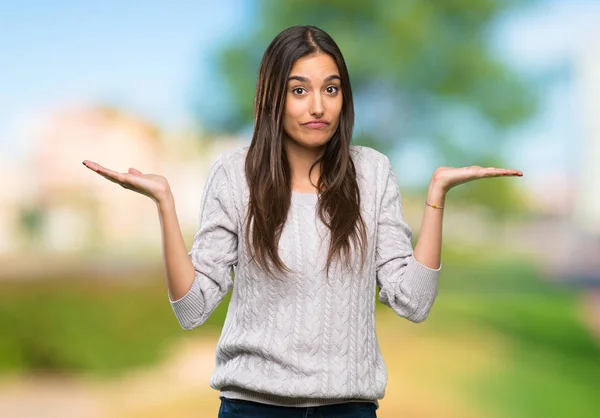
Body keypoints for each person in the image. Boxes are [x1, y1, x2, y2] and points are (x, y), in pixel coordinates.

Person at [83, 25, 522, 418]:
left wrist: (436, 198)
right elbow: (192, 308)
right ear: (273, 96)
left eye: (331, 90)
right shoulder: (235, 175)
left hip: (349, 409)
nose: (318, 106)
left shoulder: (372, 173)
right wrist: (164, 203)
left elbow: (414, 301)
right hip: (252, 409)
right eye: (299, 90)